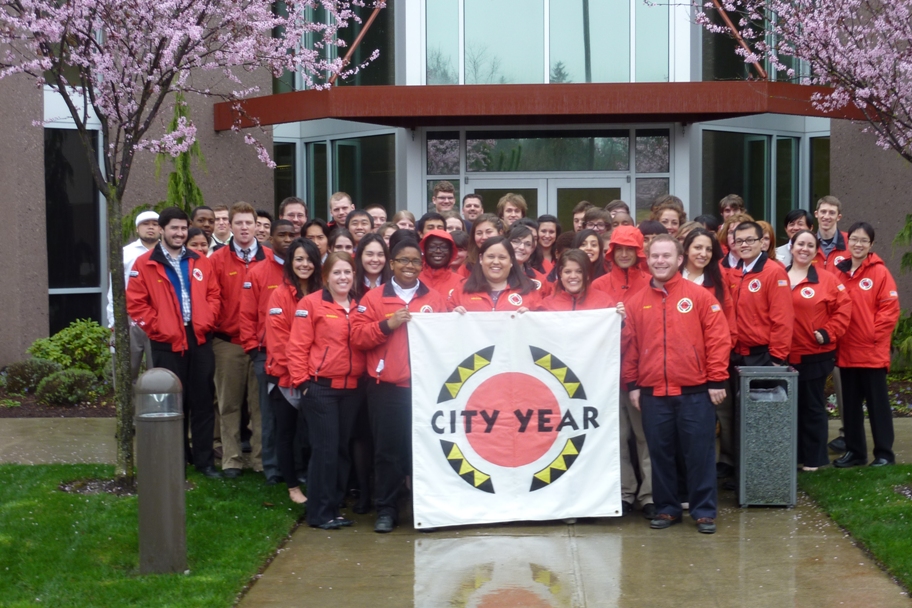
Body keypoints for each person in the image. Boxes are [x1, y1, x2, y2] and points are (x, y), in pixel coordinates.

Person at [622, 234, 731, 534]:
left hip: (695, 392)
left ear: (679, 259)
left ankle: (704, 511)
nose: (660, 261)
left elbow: (718, 339)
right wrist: (632, 384)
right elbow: (630, 347)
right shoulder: (635, 303)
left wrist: (716, 379)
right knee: (660, 454)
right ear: (648, 259)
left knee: (699, 454)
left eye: (666, 256)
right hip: (653, 394)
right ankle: (668, 508)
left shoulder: (699, 296)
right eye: (655, 256)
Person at [351, 239, 448, 533]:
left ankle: (426, 508)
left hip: (424, 390)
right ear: (391, 264)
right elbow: (357, 337)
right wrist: (386, 325)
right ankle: (387, 509)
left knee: (424, 450)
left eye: (416, 261)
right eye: (403, 260)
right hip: (387, 389)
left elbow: (448, 340)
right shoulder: (374, 298)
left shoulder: (436, 298)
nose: (410, 266)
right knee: (387, 452)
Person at [126, 207, 222, 479]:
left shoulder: (200, 261)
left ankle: (204, 462)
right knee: (172, 404)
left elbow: (214, 295)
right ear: (161, 230)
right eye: (174, 228)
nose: (179, 233)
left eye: (183, 228)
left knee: (202, 402)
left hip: (200, 338)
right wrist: (158, 328)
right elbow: (136, 304)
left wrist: (208, 318)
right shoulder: (144, 264)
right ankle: (176, 460)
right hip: (166, 342)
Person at [285, 251, 365, 528]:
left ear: (354, 275)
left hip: (352, 389)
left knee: (341, 451)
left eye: (347, 272)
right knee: (325, 451)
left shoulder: (360, 306)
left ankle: (334, 508)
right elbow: (296, 347)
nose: (343, 277)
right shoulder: (311, 304)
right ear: (326, 277)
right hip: (321, 389)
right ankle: (318, 513)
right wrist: (303, 384)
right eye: (337, 273)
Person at [590, 225, 653, 518]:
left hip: (642, 373)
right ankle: (625, 492)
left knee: (645, 437)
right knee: (618, 436)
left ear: (638, 252)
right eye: (620, 249)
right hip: (607, 375)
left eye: (630, 249)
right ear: (612, 252)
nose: (625, 254)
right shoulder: (599, 285)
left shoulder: (651, 282)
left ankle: (649, 495)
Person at [209, 201, 274, 477]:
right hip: (229, 343)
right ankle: (232, 459)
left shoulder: (270, 258)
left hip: (262, 345)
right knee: (229, 404)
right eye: (239, 223)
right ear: (230, 226)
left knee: (261, 406)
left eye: (250, 222)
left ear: (257, 225)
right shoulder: (216, 260)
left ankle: (261, 460)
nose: (245, 228)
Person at [833, 222, 901, 468]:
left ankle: (884, 454)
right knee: (850, 408)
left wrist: (871, 335)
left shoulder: (880, 273)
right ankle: (855, 452)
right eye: (854, 239)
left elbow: (889, 311)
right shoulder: (838, 272)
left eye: (863, 241)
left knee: (878, 407)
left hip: (871, 353)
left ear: (871, 245)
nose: (858, 244)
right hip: (846, 352)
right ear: (847, 241)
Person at [785, 229, 852, 471]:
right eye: (800, 244)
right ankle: (795, 455)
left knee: (812, 407)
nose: (804, 248)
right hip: (782, 357)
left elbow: (844, 310)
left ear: (815, 251)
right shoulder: (778, 277)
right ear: (791, 247)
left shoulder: (827, 280)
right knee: (789, 409)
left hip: (814, 355)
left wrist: (828, 332)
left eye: (810, 245)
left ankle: (814, 458)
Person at [264, 238, 323, 504]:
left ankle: (315, 481)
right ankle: (292, 488)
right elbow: (279, 343)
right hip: (285, 378)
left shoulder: (324, 292)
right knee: (286, 434)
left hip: (316, 378)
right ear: (290, 262)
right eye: (299, 259)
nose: (304, 264)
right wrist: (302, 374)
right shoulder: (278, 295)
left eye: (309, 259)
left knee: (315, 436)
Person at [240, 219, 297, 485]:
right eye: (281, 235)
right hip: (266, 354)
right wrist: (253, 349)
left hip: (300, 355)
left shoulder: (302, 268)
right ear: (270, 239)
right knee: (269, 415)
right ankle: (272, 468)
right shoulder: (258, 272)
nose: (287, 239)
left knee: (297, 415)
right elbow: (247, 314)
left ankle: (296, 467)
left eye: (291, 235)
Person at [680, 228, 738, 478]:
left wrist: (720, 359)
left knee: (722, 415)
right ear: (686, 249)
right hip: (681, 365)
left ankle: (725, 462)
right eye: (697, 248)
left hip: (713, 362)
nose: (702, 253)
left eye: (707, 249)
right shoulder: (672, 276)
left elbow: (728, 323)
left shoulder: (718, 280)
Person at [729, 221, 794, 367]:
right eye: (739, 241)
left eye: (750, 240)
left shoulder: (774, 272)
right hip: (736, 354)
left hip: (763, 356)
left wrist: (777, 357)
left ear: (761, 242)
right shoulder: (734, 273)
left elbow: (783, 317)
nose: (744, 244)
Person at [106, 210, 161, 380]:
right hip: (129, 319)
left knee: (158, 373)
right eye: (146, 224)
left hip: (158, 319)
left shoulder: (168, 252)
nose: (150, 228)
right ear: (137, 229)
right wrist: (114, 320)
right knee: (126, 373)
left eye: (155, 224)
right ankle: (128, 407)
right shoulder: (125, 253)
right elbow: (114, 289)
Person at [450, 236, 541, 313]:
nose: (496, 262)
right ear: (481, 258)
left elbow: (542, 326)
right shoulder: (462, 288)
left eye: (502, 257)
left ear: (511, 261)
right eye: (490, 257)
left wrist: (531, 318)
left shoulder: (528, 289)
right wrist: (452, 315)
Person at [538, 249, 612, 311]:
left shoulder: (604, 302)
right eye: (568, 272)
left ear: (587, 275)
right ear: (560, 274)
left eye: (579, 271)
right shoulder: (547, 305)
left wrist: (619, 317)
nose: (573, 276)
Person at [507, 223, 551, 296]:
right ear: (506, 244)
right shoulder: (494, 274)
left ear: (532, 249)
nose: (522, 247)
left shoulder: (540, 279)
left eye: (527, 244)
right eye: (516, 241)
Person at [419, 229, 463, 298]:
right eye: (432, 247)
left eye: (444, 247)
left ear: (451, 252)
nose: (438, 251)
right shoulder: (414, 281)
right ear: (424, 251)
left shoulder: (461, 283)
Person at [461, 213, 504, 278]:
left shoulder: (510, 260)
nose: (484, 237)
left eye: (488, 232)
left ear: (500, 233)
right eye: (479, 233)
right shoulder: (466, 266)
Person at [815, 196, 849, 271]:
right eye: (823, 212)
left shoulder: (850, 242)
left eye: (832, 213)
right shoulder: (808, 243)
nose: (827, 216)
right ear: (816, 214)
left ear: (838, 217)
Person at [354, 233, 391, 299]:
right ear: (360, 256)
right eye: (369, 254)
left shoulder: (394, 284)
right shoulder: (351, 285)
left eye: (380, 255)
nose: (375, 259)